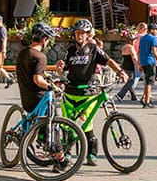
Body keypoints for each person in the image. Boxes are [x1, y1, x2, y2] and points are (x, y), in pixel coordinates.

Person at [56, 19, 127, 166]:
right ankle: (66, 153)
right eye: (78, 33)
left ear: (88, 35)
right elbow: (62, 69)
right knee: (67, 125)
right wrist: (59, 67)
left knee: (87, 125)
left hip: (88, 93)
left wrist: (120, 71)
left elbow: (109, 61)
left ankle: (92, 154)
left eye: (83, 33)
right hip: (70, 93)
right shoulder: (69, 50)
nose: (80, 36)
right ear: (74, 34)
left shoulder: (94, 50)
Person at [15, 23, 70, 172]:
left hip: (26, 99)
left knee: (44, 123)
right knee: (54, 124)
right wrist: (52, 87)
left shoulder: (23, 53)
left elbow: (34, 73)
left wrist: (47, 77)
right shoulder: (40, 57)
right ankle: (60, 158)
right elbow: (37, 80)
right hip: (38, 99)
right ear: (44, 39)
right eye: (48, 39)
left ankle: (39, 140)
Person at [138, 23, 157, 108]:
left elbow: (139, 51)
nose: (156, 31)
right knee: (149, 83)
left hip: (143, 62)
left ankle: (144, 98)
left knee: (146, 81)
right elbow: (155, 52)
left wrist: (139, 63)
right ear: (151, 30)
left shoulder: (142, 38)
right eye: (155, 29)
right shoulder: (153, 38)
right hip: (150, 62)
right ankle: (147, 102)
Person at [115, 33, 140, 102]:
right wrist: (137, 65)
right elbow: (134, 57)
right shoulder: (131, 47)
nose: (134, 41)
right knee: (131, 81)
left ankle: (133, 96)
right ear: (131, 41)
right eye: (133, 40)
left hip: (125, 65)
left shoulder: (124, 47)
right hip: (130, 66)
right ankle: (120, 94)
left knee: (129, 81)